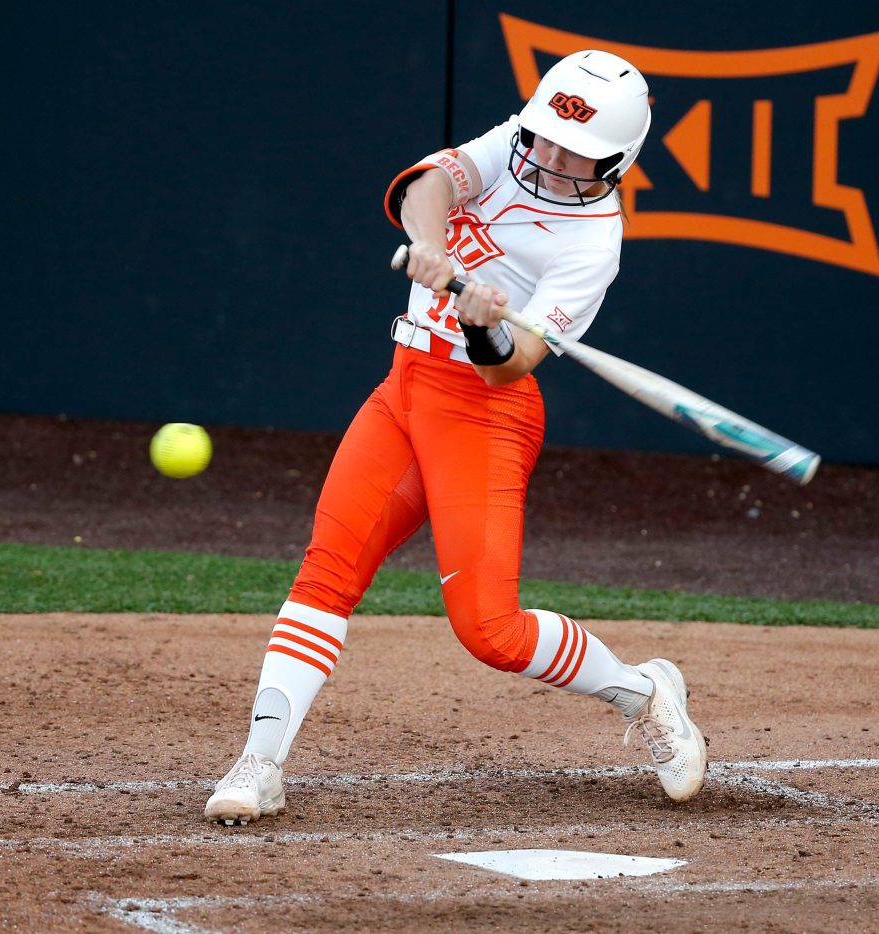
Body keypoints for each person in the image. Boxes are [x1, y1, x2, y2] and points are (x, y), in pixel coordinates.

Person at [204, 50, 707, 825]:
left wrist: (486, 329)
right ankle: (261, 761)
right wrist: (433, 245)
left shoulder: (591, 244)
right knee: (327, 571)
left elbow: (517, 367)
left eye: (574, 153)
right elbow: (428, 186)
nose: (547, 158)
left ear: (615, 161)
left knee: (491, 632)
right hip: (404, 388)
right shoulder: (516, 142)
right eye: (544, 139)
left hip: (485, 414)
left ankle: (643, 691)